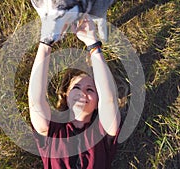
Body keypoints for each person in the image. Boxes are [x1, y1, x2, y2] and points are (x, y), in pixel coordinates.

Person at [28, 15, 121, 169]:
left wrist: (93, 45)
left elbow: (109, 99)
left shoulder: (101, 132)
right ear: (66, 95)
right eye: (76, 88)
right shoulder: (53, 131)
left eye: (90, 89)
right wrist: (46, 43)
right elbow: (35, 100)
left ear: (98, 102)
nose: (82, 93)